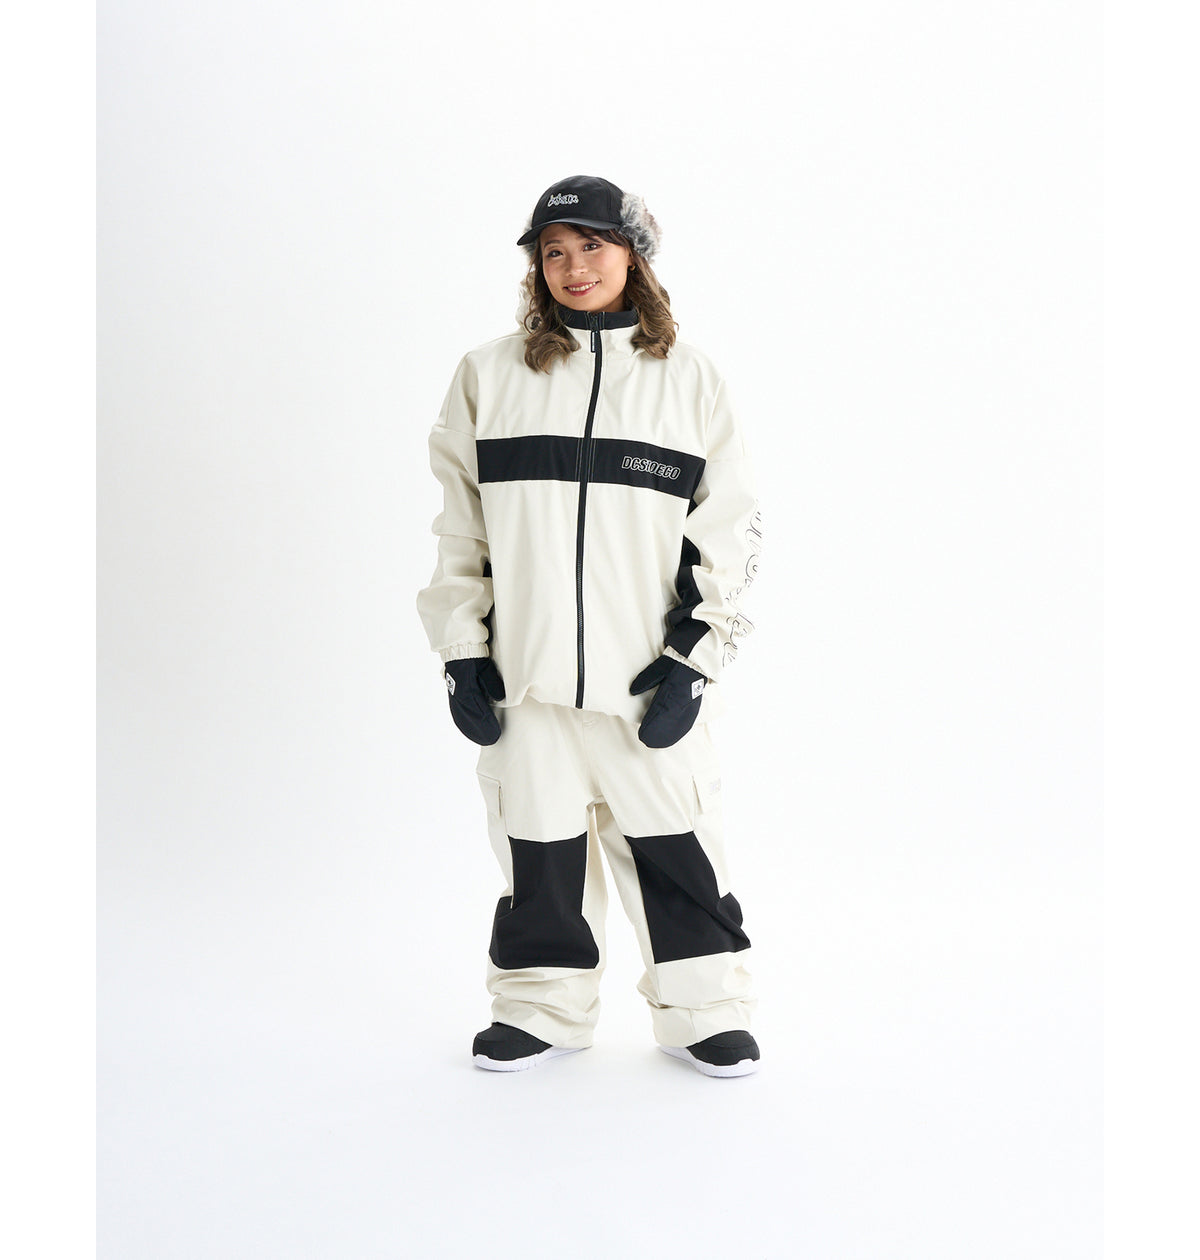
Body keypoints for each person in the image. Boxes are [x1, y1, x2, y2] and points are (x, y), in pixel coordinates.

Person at [416, 175, 764, 1077]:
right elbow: (461, 530)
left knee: (676, 851)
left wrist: (693, 662)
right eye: (554, 251)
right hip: (526, 681)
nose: (574, 267)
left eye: (593, 246)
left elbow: (727, 537)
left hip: (646, 682)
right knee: (539, 854)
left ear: (633, 254)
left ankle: (703, 1012)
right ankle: (541, 1010)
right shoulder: (489, 376)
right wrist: (462, 653)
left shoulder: (690, 382)